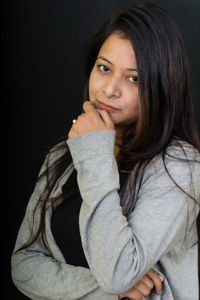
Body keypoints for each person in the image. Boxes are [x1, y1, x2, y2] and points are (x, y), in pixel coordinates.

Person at [11, 2, 200, 300]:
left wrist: (94, 154)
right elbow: (24, 264)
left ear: (162, 86)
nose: (110, 89)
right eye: (104, 68)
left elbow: (117, 273)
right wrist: (103, 289)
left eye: (134, 78)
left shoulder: (180, 166)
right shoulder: (63, 155)